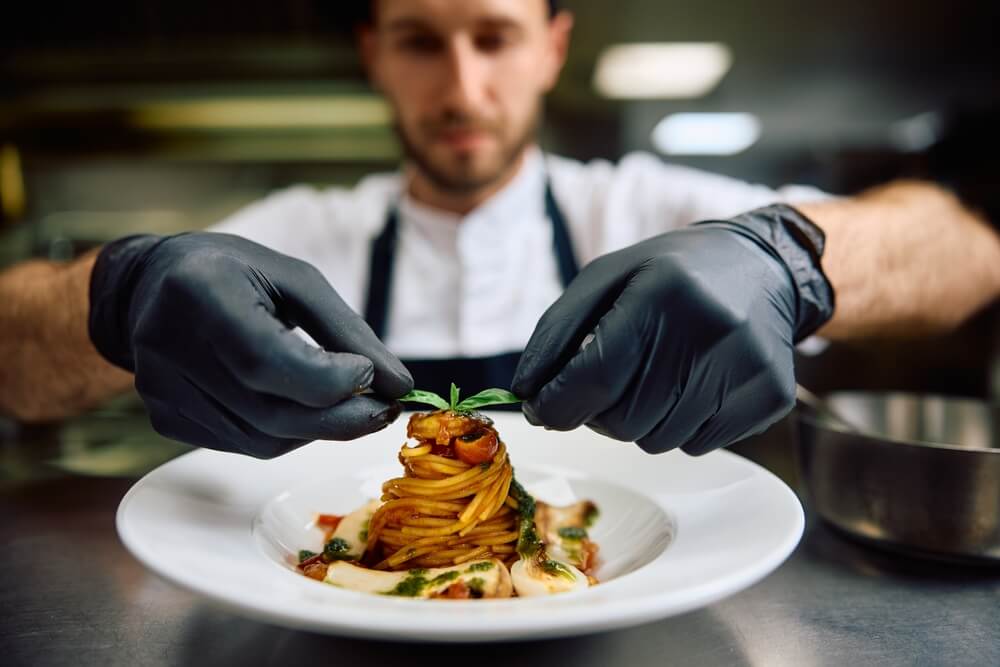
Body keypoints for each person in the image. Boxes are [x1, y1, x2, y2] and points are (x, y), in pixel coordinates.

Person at [1, 0, 998, 459]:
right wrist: (119, 294)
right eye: (420, 43)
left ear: (552, 47)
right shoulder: (302, 232)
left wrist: (788, 261)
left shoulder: (641, 203)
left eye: (494, 36)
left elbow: (967, 249)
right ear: (373, 55)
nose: (462, 87)